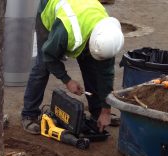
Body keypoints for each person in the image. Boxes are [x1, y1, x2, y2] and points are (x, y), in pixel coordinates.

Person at [21, 0, 124, 134]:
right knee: (42, 67)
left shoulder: (108, 35)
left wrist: (106, 110)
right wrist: (67, 80)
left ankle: (98, 113)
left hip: (79, 15)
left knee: (91, 67)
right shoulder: (67, 31)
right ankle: (29, 114)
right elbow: (49, 56)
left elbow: (106, 75)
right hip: (50, 8)